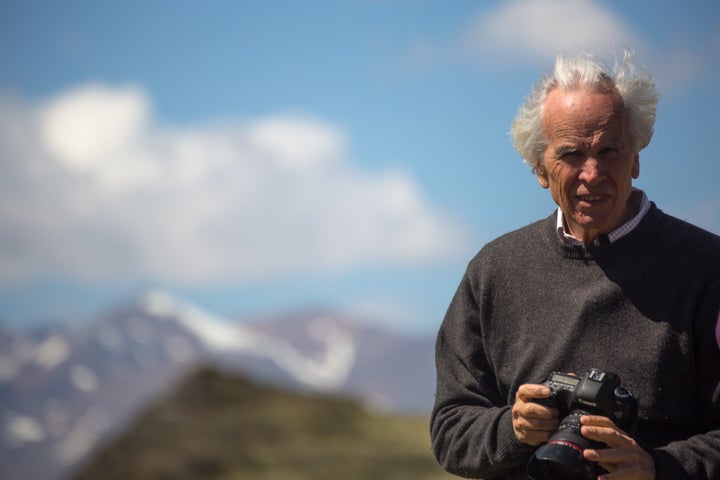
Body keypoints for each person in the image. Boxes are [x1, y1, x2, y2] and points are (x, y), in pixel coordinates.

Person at [430, 51, 720, 480]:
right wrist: (514, 428)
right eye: (571, 154)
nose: (593, 172)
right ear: (540, 169)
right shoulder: (494, 270)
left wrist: (659, 469)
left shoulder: (706, 267)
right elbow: (451, 430)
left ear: (637, 157)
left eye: (611, 150)